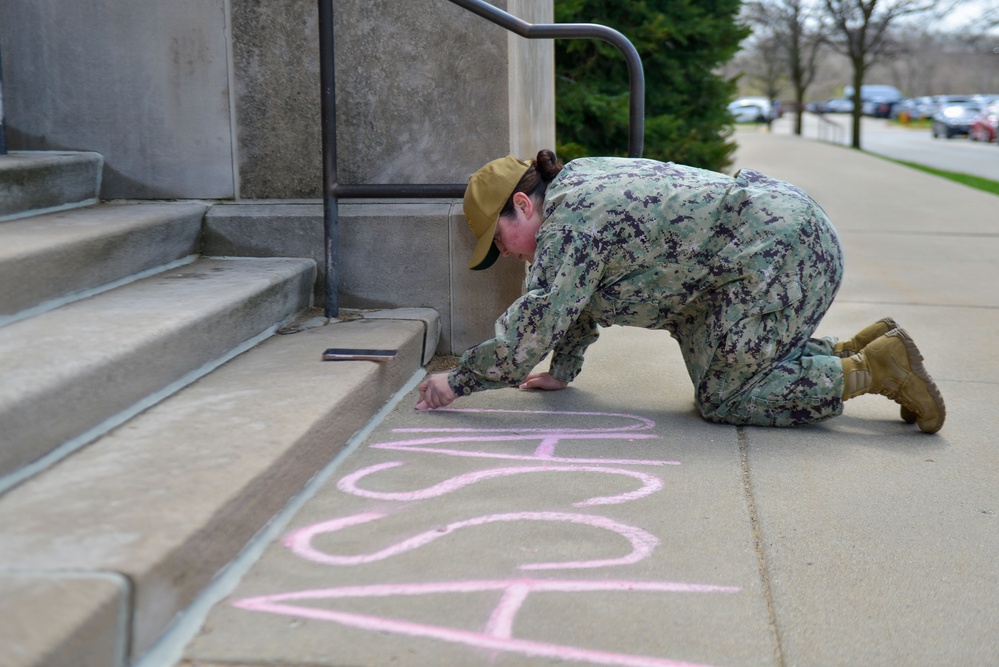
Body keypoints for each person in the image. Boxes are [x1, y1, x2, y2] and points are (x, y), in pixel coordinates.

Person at [416, 150, 945, 433]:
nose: (503, 253)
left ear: (524, 206)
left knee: (729, 397)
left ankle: (873, 370)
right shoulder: (576, 189)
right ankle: (854, 351)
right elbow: (571, 298)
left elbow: (540, 316)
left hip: (778, 253)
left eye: (498, 238)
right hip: (764, 253)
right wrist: (563, 370)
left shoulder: (570, 223)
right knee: (727, 376)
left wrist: (458, 382)